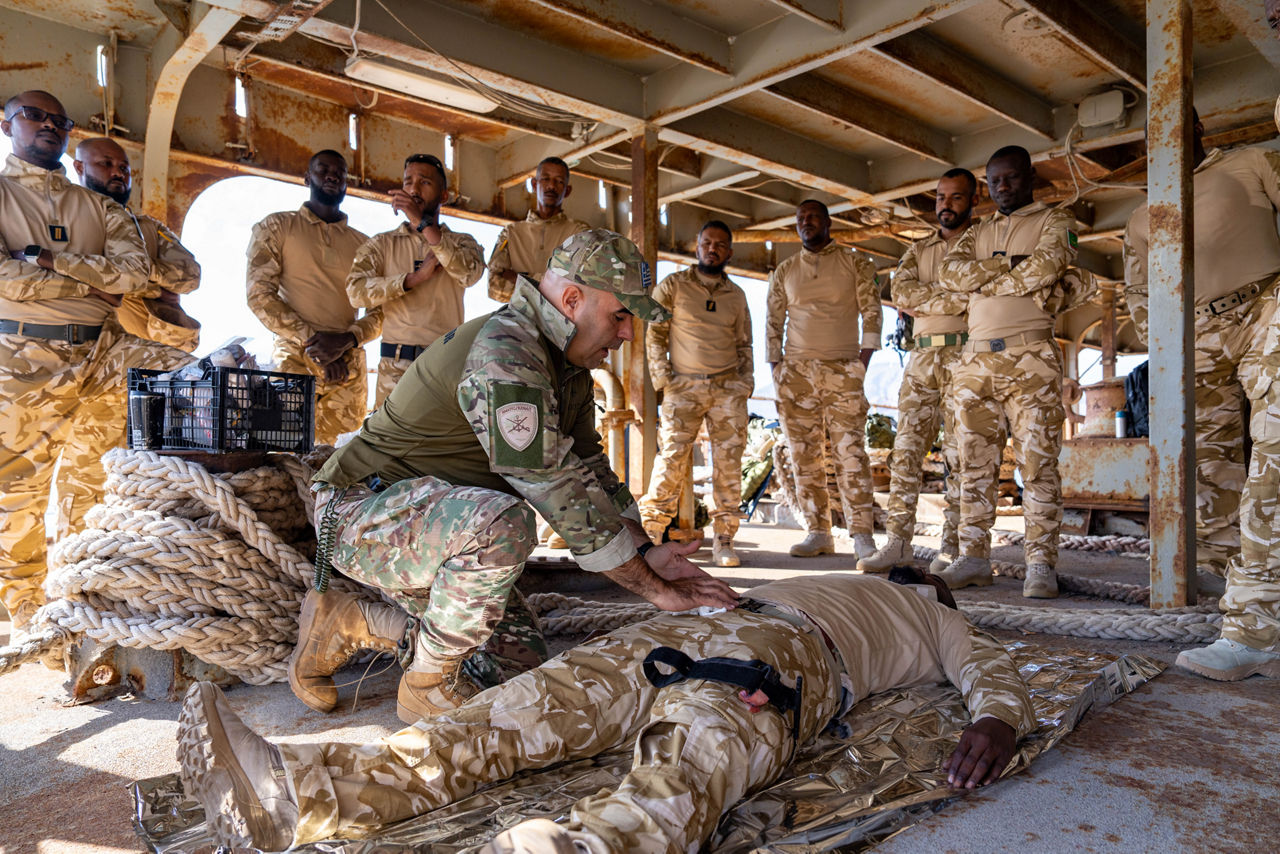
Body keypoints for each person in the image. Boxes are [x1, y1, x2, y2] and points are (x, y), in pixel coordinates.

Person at [177, 571, 1035, 852]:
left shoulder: (930, 611)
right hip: (686, 630)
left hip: (785, 659)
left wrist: (993, 720)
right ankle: (303, 789)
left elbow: (987, 668)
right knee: (510, 714)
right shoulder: (848, 572)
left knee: (694, 761)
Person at [292, 229, 739, 724]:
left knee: (512, 666)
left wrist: (645, 552)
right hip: (361, 513)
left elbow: (592, 473)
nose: (629, 333)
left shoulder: (563, 368)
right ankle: (426, 686)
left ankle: (351, 621)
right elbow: (554, 487)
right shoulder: (506, 352)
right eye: (620, 316)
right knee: (505, 524)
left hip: (431, 527)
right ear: (572, 301)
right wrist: (654, 590)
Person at [0, 90, 190, 630]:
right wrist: (89, 281)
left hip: (104, 349)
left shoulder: (100, 207)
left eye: (59, 120)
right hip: (23, 355)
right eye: (33, 116)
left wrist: (47, 259)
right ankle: (28, 613)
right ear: (8, 124)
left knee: (191, 375)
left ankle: (93, 584)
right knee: (19, 491)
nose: (47, 126)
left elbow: (133, 276)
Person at [1123, 111, 1280, 680]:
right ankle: (1218, 589)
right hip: (1197, 333)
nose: (1160, 138)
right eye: (1150, 132)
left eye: (1172, 126)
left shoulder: (1249, 162)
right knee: (1210, 469)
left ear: (1198, 133)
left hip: (1265, 304)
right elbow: (1139, 289)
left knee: (1275, 443)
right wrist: (1163, 348)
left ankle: (1257, 626)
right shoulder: (1141, 214)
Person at [937, 145, 1079, 599]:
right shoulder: (978, 231)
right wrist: (1007, 267)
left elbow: (1048, 267)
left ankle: (1040, 565)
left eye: (1010, 178)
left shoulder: (1054, 222)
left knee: (1037, 466)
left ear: (1030, 176)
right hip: (974, 362)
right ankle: (974, 558)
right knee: (973, 466)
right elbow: (951, 275)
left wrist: (983, 275)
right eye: (994, 181)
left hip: (1029, 357)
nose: (1002, 187)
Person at [53, 136, 202, 540]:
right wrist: (141, 281)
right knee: (82, 479)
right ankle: (73, 570)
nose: (118, 173)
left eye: (124, 168)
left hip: (144, 375)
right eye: (106, 164)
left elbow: (189, 275)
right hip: (80, 361)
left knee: (144, 483)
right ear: (80, 168)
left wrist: (133, 273)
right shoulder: (64, 220)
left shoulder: (148, 229)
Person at [859, 169, 978, 575]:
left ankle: (952, 546)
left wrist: (930, 301)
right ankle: (898, 542)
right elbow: (901, 292)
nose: (945, 204)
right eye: (941, 197)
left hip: (967, 355)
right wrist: (953, 299)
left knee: (961, 456)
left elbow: (979, 293)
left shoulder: (982, 244)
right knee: (905, 452)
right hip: (921, 359)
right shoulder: (918, 250)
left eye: (956, 197)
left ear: (972, 201)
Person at [766, 200, 881, 559]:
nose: (806, 222)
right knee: (803, 456)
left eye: (814, 216)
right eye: (801, 218)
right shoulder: (785, 270)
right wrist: (776, 367)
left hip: (843, 369)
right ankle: (818, 532)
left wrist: (861, 363)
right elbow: (773, 320)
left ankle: (862, 535)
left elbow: (872, 312)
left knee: (850, 454)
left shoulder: (855, 262)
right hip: (795, 374)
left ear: (828, 222)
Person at [246, 150, 380, 445]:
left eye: (340, 172)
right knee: (287, 453)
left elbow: (380, 313)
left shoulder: (367, 246)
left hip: (347, 364)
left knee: (341, 459)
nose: (332, 175)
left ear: (347, 183)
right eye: (323, 169)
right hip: (295, 357)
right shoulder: (277, 227)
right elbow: (259, 295)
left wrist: (345, 341)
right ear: (308, 177)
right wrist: (314, 342)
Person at [639, 220, 753, 566]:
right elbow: (655, 334)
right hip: (683, 386)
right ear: (697, 246)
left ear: (729, 252)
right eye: (706, 243)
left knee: (729, 465)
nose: (712, 249)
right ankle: (651, 537)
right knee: (671, 459)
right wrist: (664, 381)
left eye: (720, 244)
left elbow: (744, 343)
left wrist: (744, 383)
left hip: (727, 387)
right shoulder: (673, 286)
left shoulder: (737, 295)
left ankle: (725, 539)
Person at [346, 153, 484, 406]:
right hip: (395, 370)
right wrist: (410, 279)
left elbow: (469, 274)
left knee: (440, 444)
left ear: (443, 196)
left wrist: (422, 223)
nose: (413, 189)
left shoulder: (462, 243)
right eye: (408, 181)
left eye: (424, 182)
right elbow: (355, 292)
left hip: (444, 365)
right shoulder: (382, 244)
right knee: (391, 444)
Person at [486, 156, 589, 302]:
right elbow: (494, 288)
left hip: (562, 324)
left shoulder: (579, 233)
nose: (551, 186)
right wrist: (552, 285)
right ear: (534, 185)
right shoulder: (511, 233)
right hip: (519, 323)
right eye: (545, 179)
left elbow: (580, 289)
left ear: (567, 190)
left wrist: (519, 278)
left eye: (559, 181)